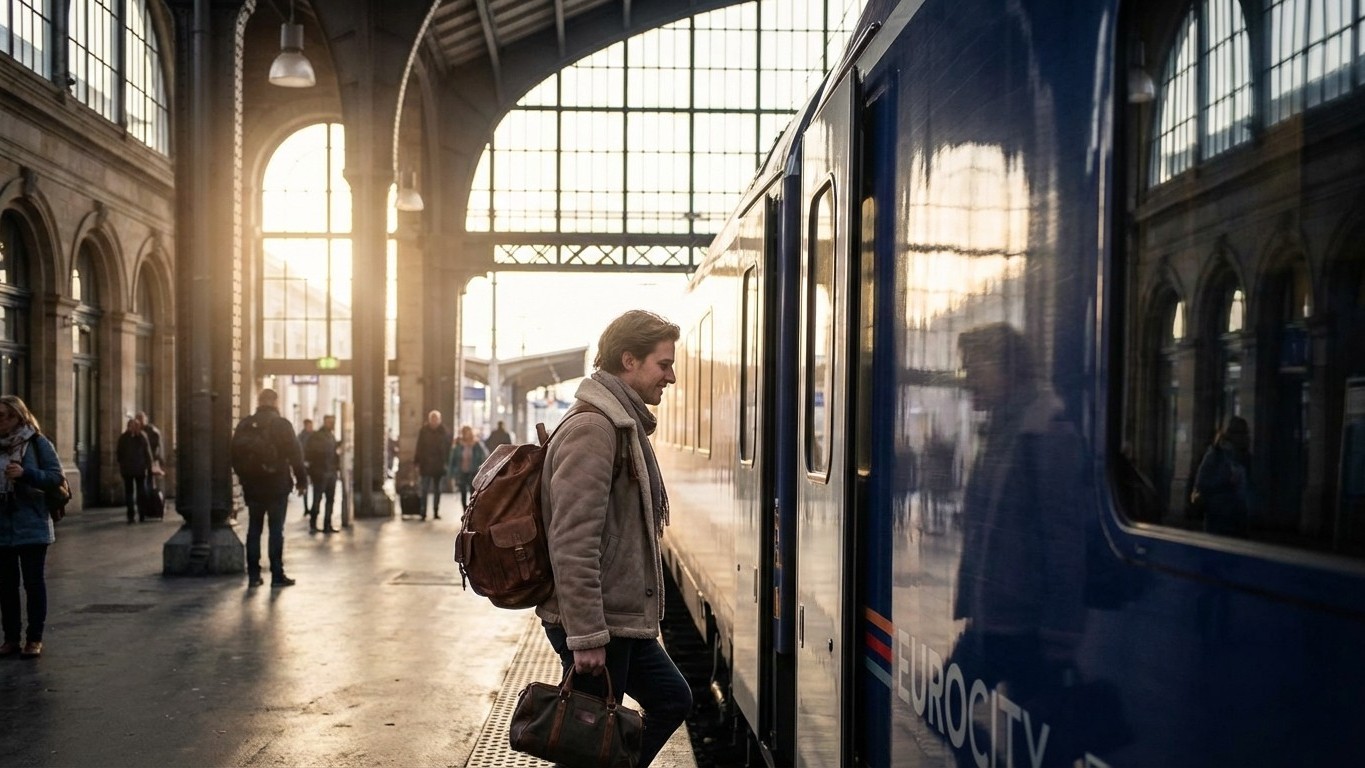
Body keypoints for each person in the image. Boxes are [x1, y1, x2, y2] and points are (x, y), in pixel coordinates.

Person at [537, 309, 691, 768]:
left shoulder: (618, 424)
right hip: (598, 621)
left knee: (670, 700)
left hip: (619, 616)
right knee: (587, 745)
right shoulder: (594, 429)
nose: (672, 376)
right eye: (663, 364)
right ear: (630, 360)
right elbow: (572, 539)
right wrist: (585, 636)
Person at [946, 323, 1090, 765]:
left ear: (1006, 367)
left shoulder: (1045, 429)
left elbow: (1065, 536)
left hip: (1027, 628)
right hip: (993, 621)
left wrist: (1061, 631)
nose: (967, 378)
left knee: (1025, 742)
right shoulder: (1002, 430)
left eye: (975, 367)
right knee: (953, 712)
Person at [0, 395, 65, 659]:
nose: (2, 421)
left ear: (20, 416)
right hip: (3, 525)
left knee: (33, 584)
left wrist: (26, 474)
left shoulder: (38, 443)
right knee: (6, 586)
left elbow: (56, 477)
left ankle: (34, 638)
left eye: (7, 415)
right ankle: (11, 638)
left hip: (33, 524)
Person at [231, 388, 307, 588]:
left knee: (254, 529)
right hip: (277, 485)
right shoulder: (282, 425)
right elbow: (296, 455)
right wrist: (301, 481)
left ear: (259, 401)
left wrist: (244, 478)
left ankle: (254, 576)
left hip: (253, 486)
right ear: (275, 402)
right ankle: (276, 574)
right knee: (275, 531)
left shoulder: (246, 424)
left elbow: (234, 454)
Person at [1193, 415, 1253, 537]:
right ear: (1232, 435)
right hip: (1219, 521)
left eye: (1246, 433)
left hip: (1240, 521)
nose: (1246, 437)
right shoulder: (1215, 456)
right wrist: (1226, 481)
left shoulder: (1246, 458)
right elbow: (1202, 484)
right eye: (1241, 433)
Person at [305, 414, 341, 533]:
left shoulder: (331, 436)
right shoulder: (317, 436)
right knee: (317, 498)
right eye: (331, 422)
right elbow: (310, 452)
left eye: (334, 422)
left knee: (330, 499)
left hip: (330, 472)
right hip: (320, 472)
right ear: (325, 422)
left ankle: (327, 524)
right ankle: (313, 523)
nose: (333, 425)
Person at [413, 410, 451, 520]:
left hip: (439, 465)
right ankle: (423, 511)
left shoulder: (444, 431)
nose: (434, 421)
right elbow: (419, 446)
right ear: (429, 420)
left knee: (437, 490)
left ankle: (435, 511)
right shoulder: (423, 431)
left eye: (436, 419)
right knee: (424, 489)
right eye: (432, 419)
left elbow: (447, 448)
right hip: (425, 464)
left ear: (439, 420)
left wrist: (447, 462)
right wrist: (416, 462)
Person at [115, 417, 154, 524]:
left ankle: (131, 515)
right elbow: (148, 453)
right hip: (141, 469)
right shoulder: (142, 436)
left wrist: (121, 464)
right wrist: (150, 466)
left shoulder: (123, 438)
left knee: (129, 492)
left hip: (127, 470)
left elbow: (119, 454)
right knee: (141, 492)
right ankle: (141, 514)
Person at [448, 425, 489, 509]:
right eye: (464, 432)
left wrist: (482, 469)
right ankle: (464, 510)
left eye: (468, 432)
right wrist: (451, 473)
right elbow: (453, 459)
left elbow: (485, 456)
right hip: (461, 472)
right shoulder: (458, 445)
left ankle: (471, 510)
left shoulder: (477, 444)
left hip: (473, 472)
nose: (466, 434)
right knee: (462, 492)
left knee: (472, 493)